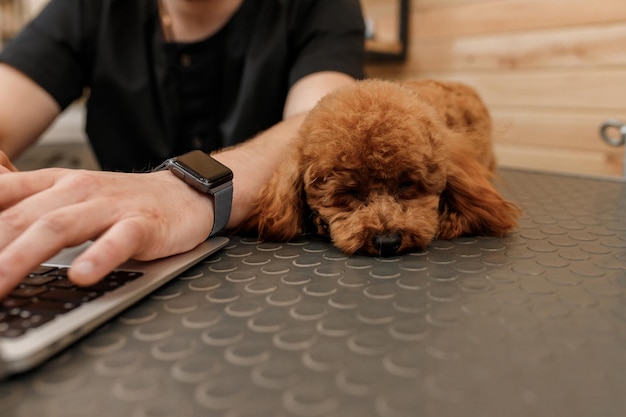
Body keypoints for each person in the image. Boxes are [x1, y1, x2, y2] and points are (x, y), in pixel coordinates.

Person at [0, 0, 365, 297]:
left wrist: (183, 190)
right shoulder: (84, 9)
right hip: (119, 280)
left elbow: (319, 124)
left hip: (278, 284)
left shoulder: (320, 7)